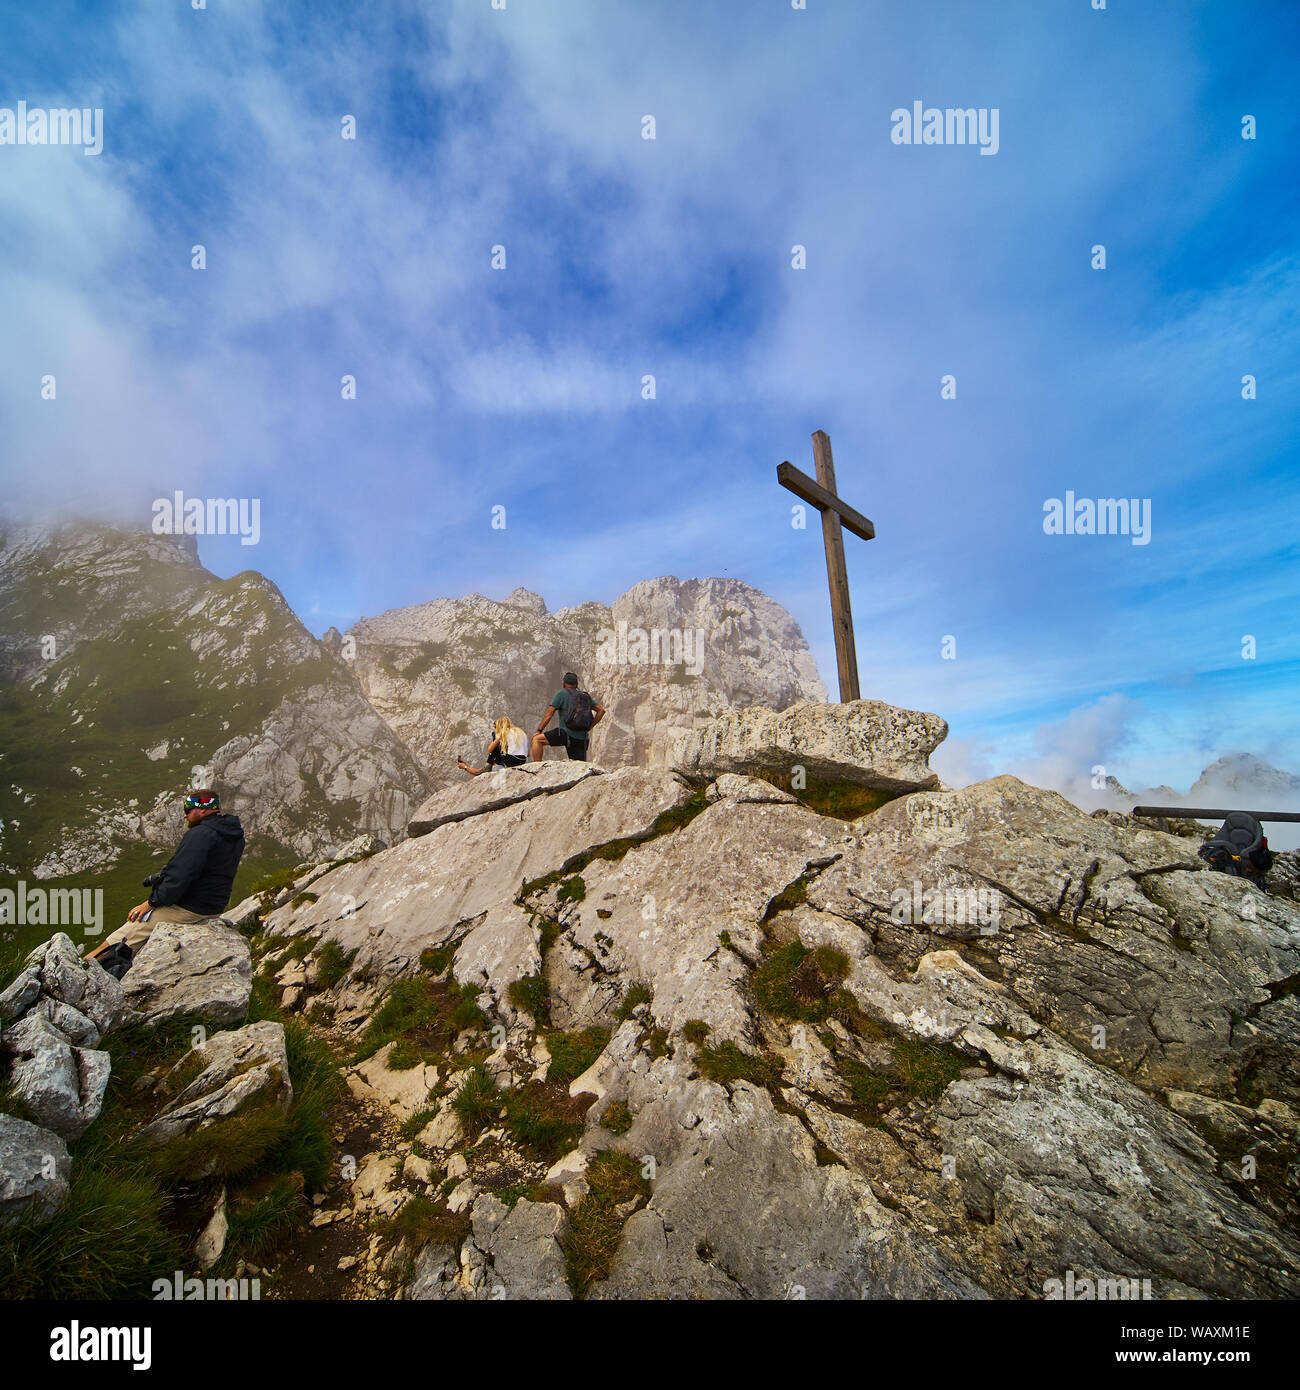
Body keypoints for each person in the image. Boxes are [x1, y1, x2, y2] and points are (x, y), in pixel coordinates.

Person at [86, 789, 245, 975]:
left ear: (202, 809)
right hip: (212, 907)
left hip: (188, 907)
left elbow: (180, 878)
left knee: (123, 935)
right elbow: (206, 869)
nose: (185, 814)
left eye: (189, 808)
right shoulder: (233, 835)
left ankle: (80, 972)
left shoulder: (201, 834)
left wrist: (150, 903)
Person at [531, 672, 604, 763]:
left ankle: (536, 768)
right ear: (577, 685)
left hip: (565, 733)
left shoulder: (562, 693)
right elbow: (601, 710)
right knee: (578, 767)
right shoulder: (584, 696)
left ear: (564, 684)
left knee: (537, 740)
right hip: (582, 738)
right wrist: (590, 726)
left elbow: (549, 713)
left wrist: (539, 730)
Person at [459, 717, 529, 776]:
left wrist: (465, 767)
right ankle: (467, 766)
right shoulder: (521, 732)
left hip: (509, 761)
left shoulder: (503, 732)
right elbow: (528, 753)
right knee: (490, 766)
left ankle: (464, 766)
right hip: (522, 760)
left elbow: (490, 749)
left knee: (485, 771)